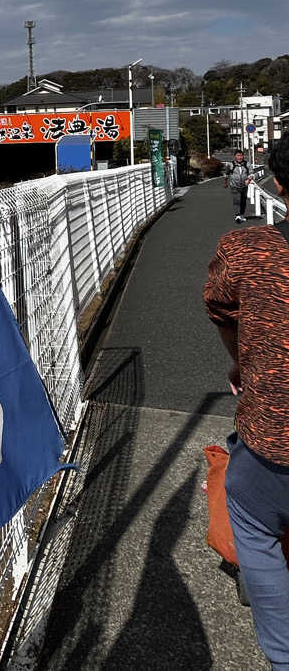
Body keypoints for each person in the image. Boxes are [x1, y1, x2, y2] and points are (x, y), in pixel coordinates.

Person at [204, 133, 289, 669]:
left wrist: (243, 363)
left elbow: (221, 310)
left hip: (273, 441)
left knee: (252, 520)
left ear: (277, 183)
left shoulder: (250, 252)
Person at [224, 148, 254, 222]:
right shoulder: (231, 165)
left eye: (241, 155)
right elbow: (226, 174)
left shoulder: (247, 164)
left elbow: (251, 173)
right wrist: (225, 183)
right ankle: (237, 215)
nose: (240, 157)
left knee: (243, 201)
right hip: (234, 186)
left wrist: (249, 180)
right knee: (237, 200)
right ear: (235, 156)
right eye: (238, 155)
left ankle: (242, 215)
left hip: (244, 186)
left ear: (243, 156)